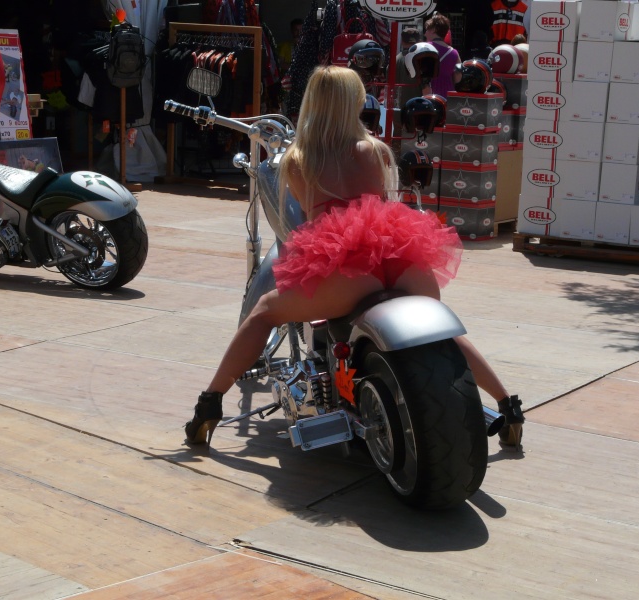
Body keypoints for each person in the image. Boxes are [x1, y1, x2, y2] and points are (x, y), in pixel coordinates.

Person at [184, 65, 525, 450]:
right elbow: (381, 200)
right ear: (354, 102)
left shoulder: (299, 158)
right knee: (444, 336)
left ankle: (210, 403)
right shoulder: (377, 150)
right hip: (398, 254)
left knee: (264, 311)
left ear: (313, 101)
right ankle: (507, 404)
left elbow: (307, 216)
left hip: (348, 268)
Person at [423, 13, 461, 97]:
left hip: (427, 96)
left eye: (427, 30)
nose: (425, 34)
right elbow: (458, 79)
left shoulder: (423, 48)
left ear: (433, 30)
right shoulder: (454, 53)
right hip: (447, 97)